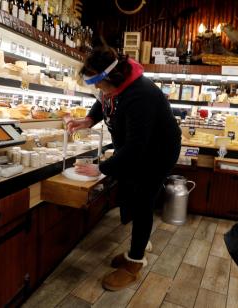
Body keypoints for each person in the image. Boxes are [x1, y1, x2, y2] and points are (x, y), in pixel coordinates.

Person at [67, 43, 182, 291]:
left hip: (157, 152)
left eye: (97, 82)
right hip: (134, 147)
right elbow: (103, 101)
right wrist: (89, 119)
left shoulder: (141, 94)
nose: (97, 88)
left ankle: (135, 262)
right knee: (130, 190)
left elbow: (136, 148)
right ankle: (138, 244)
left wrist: (102, 169)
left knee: (143, 199)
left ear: (110, 77)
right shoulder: (115, 85)